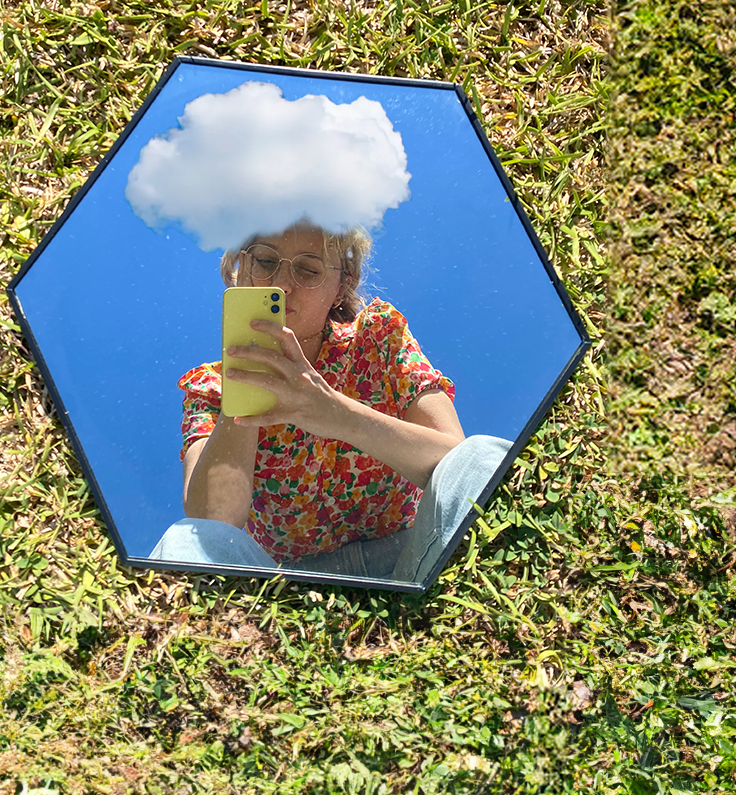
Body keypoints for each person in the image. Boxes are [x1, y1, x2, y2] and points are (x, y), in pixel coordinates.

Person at [149, 220, 511, 584]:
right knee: (185, 541)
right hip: (289, 586)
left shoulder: (378, 336)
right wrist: (247, 382)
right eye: (264, 261)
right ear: (241, 269)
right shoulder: (211, 388)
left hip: (411, 554)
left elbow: (458, 462)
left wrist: (334, 413)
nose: (282, 284)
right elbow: (213, 522)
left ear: (341, 288)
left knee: (484, 455)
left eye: (308, 270)